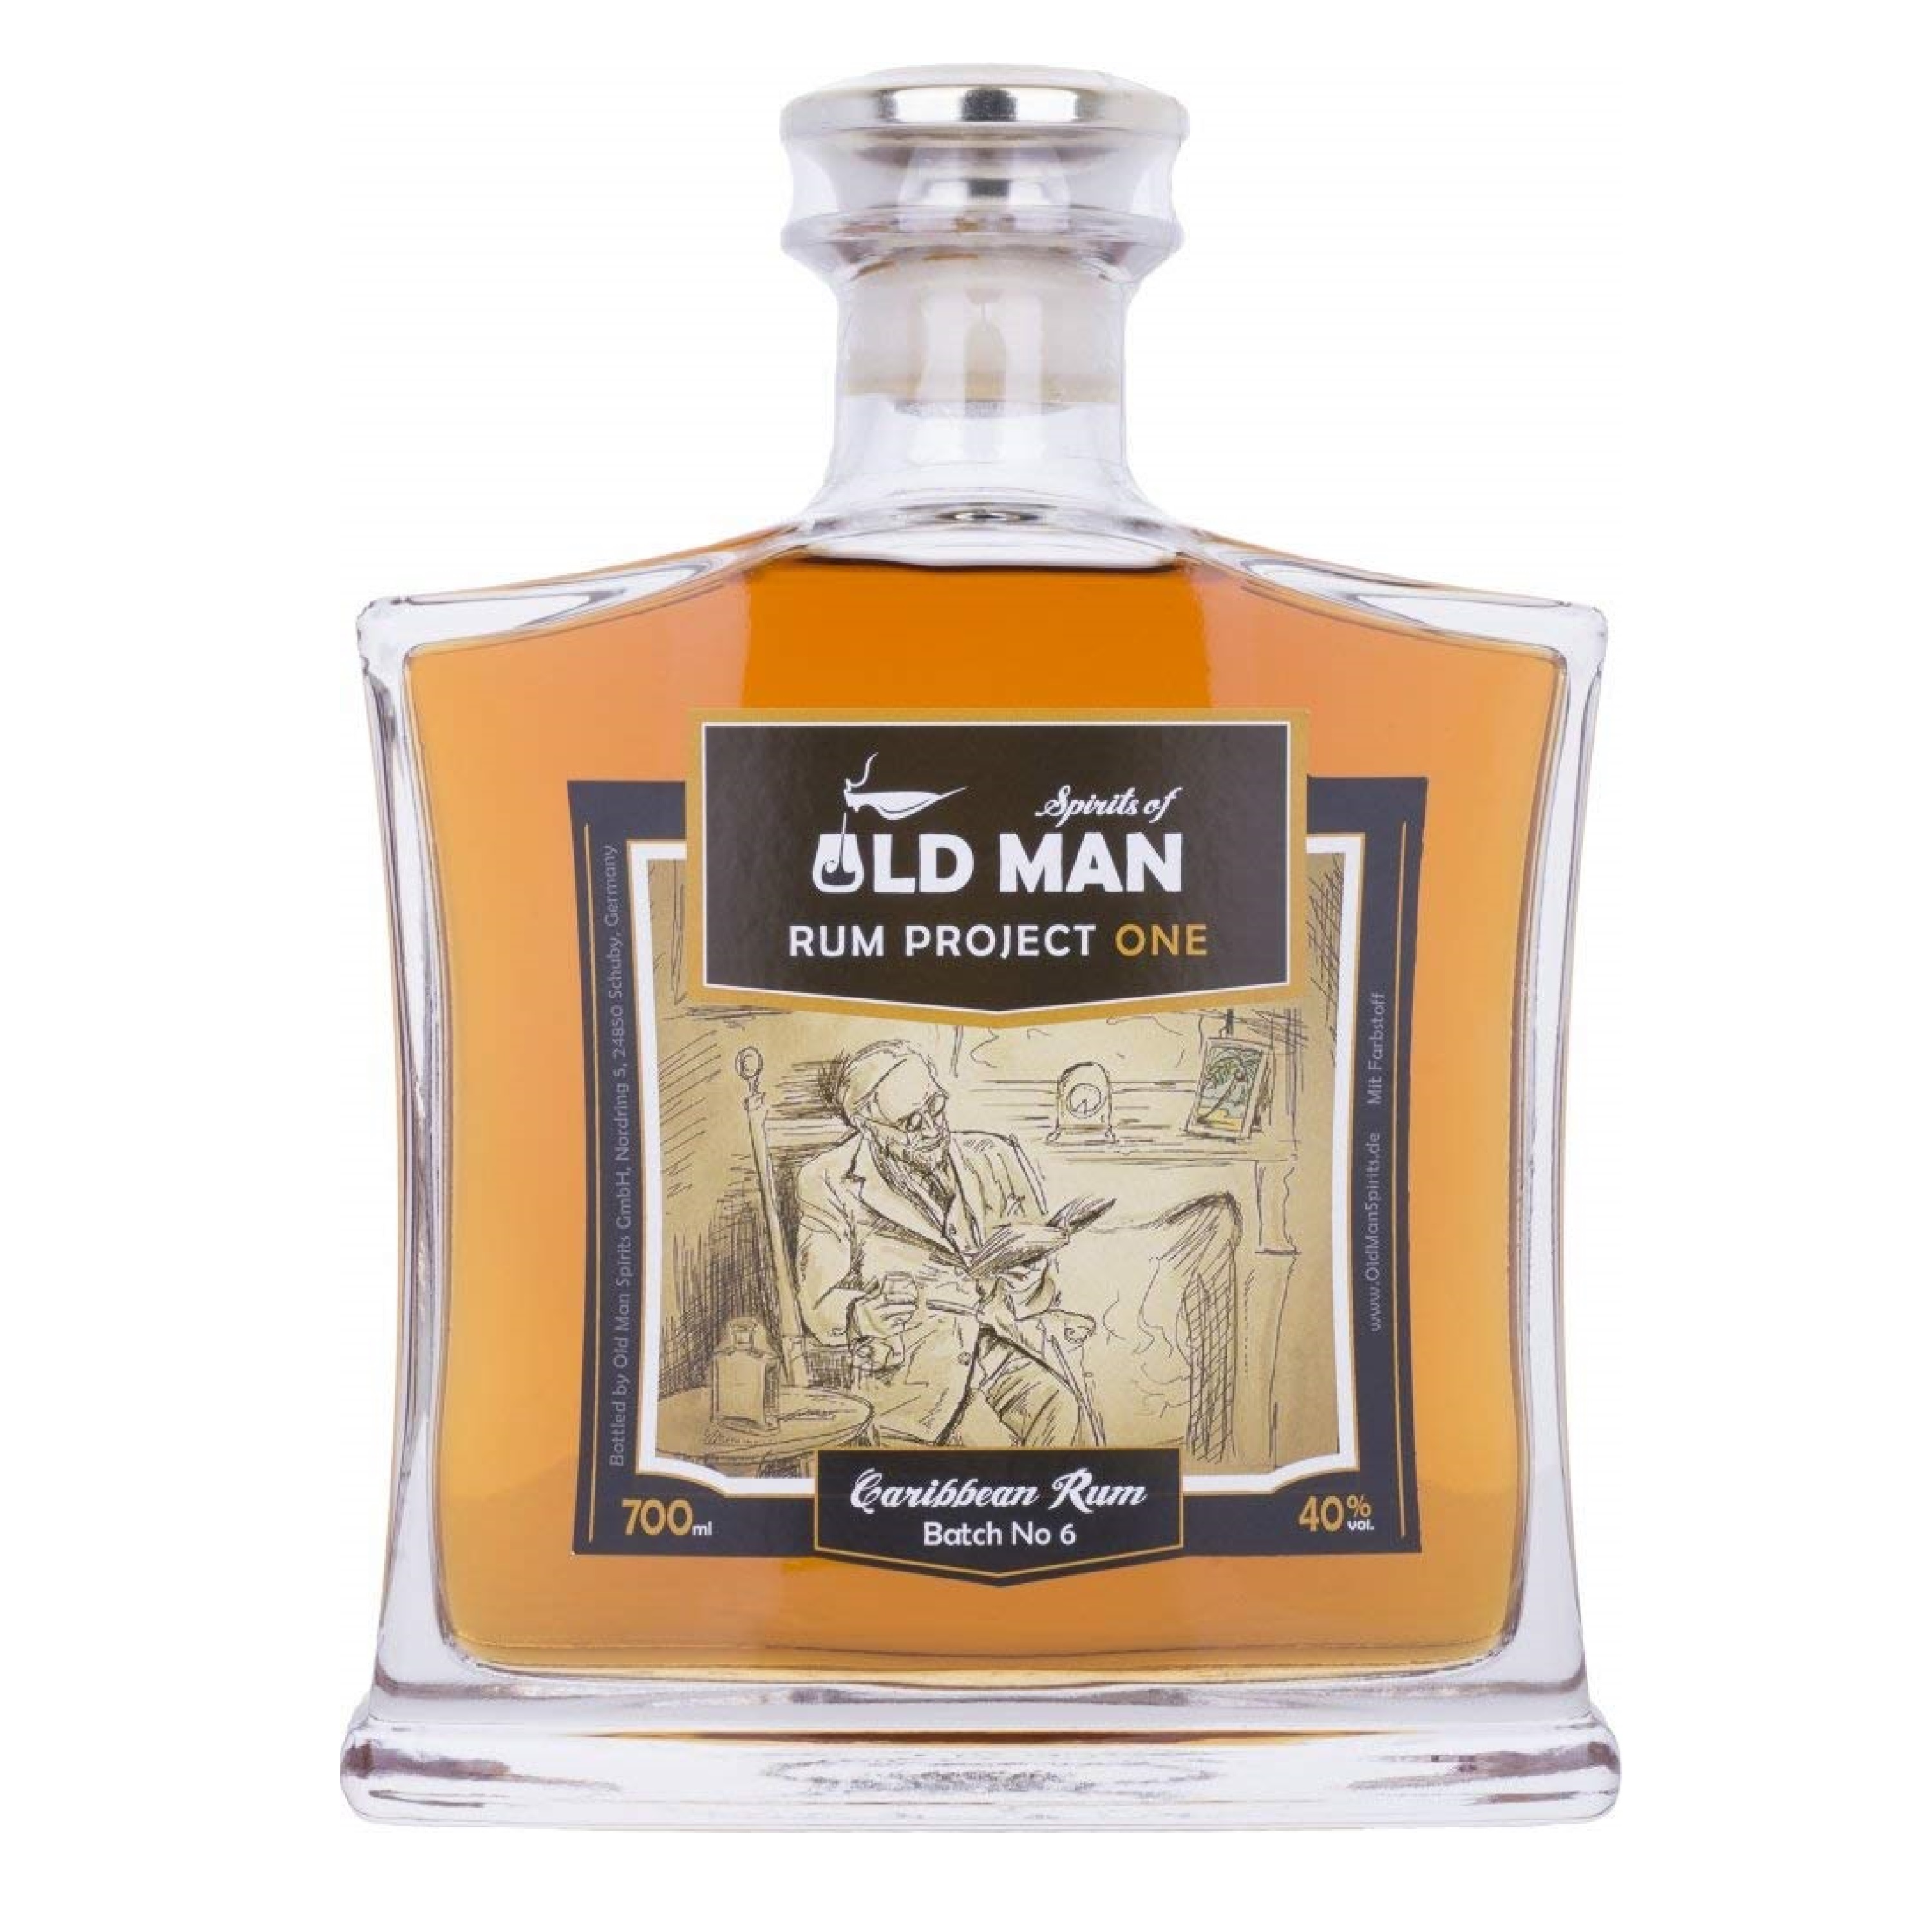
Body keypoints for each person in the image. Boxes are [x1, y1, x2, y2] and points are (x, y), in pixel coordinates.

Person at [793, 1040, 1097, 1447]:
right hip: (914, 1376)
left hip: (1001, 1347)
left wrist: (1027, 1279)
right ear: (868, 1125)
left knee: (1060, 1409)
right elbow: (818, 1308)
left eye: (935, 1107)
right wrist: (862, 1315)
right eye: (910, 1122)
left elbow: (1038, 1297)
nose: (932, 1129)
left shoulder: (994, 1156)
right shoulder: (828, 1180)